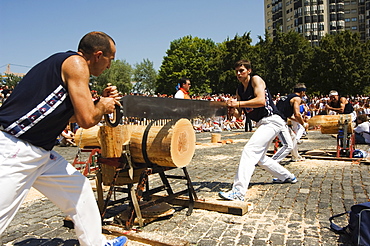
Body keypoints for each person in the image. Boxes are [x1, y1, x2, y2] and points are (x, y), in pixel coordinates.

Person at [0, 32, 127, 246]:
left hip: (39, 152)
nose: (109, 67)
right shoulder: (77, 64)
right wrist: (102, 106)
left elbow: (72, 114)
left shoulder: (67, 66)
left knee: (79, 188)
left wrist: (99, 102)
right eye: (109, 60)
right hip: (16, 148)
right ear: (98, 55)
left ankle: (95, 243)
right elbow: (87, 119)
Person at [219, 60, 297, 202]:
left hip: (272, 119)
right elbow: (239, 114)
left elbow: (261, 101)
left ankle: (238, 192)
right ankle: (286, 176)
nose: (238, 73)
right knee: (260, 158)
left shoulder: (256, 80)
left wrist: (238, 103)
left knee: (249, 150)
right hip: (262, 123)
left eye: (241, 70)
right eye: (236, 71)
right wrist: (231, 109)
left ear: (249, 70)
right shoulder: (239, 90)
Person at [275, 83, 308, 162]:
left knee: (292, 136)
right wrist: (303, 124)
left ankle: (295, 156)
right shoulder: (297, 98)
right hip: (279, 122)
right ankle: (272, 162)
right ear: (302, 92)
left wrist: (300, 122)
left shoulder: (286, 97)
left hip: (276, 119)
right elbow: (297, 114)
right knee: (287, 145)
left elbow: (290, 116)